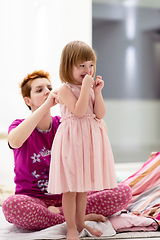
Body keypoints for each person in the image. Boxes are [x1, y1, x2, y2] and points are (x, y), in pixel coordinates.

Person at [2, 69, 131, 231]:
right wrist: (47, 104)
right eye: (39, 90)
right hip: (35, 200)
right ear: (28, 101)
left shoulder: (65, 123)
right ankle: (77, 218)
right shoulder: (19, 125)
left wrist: (88, 94)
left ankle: (65, 215)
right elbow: (14, 141)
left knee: (123, 191)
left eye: (49, 88)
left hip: (71, 197)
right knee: (11, 206)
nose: (47, 92)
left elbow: (101, 130)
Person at [47, 41, 129, 240]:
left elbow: (99, 115)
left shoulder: (90, 88)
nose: (87, 69)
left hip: (88, 141)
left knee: (82, 187)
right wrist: (86, 87)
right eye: (81, 65)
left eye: (90, 65)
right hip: (71, 142)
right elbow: (79, 110)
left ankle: (81, 222)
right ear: (68, 66)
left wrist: (97, 92)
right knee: (70, 188)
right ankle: (71, 228)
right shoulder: (65, 89)